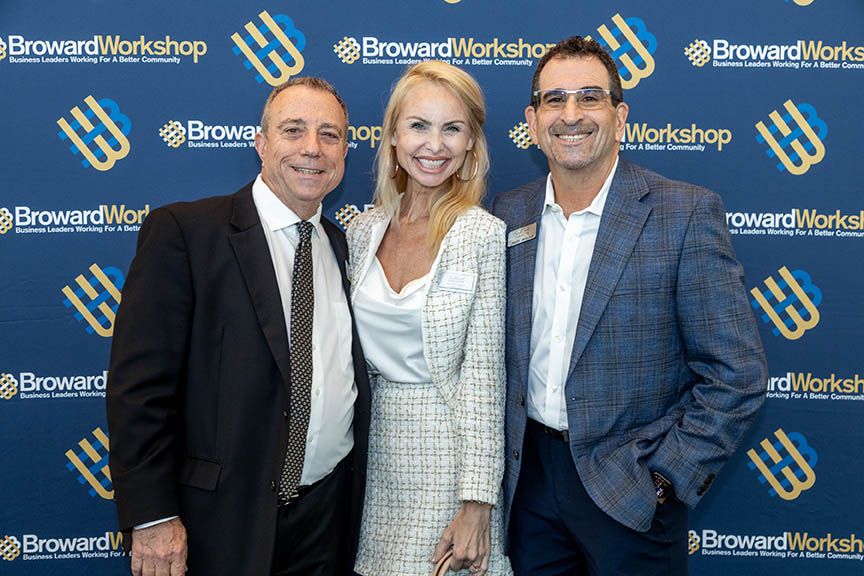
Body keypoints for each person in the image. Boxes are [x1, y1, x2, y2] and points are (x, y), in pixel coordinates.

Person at [491, 36, 768, 575]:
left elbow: (737, 374)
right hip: (528, 487)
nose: (571, 114)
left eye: (590, 97)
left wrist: (665, 479)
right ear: (532, 121)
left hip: (631, 489)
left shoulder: (683, 213)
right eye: (554, 99)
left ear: (620, 117)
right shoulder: (508, 212)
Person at [106, 77, 370, 576]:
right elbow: (139, 391)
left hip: (327, 517)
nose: (312, 148)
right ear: (261, 143)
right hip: (219, 521)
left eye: (329, 134)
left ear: (344, 151)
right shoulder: (187, 234)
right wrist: (152, 517)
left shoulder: (340, 245)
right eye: (293, 130)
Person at [347, 61, 511, 576]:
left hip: (450, 461)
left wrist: (477, 502)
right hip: (369, 457)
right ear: (394, 136)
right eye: (419, 125)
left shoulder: (481, 234)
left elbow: (484, 378)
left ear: (470, 144)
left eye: (452, 128)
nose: (434, 145)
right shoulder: (361, 231)